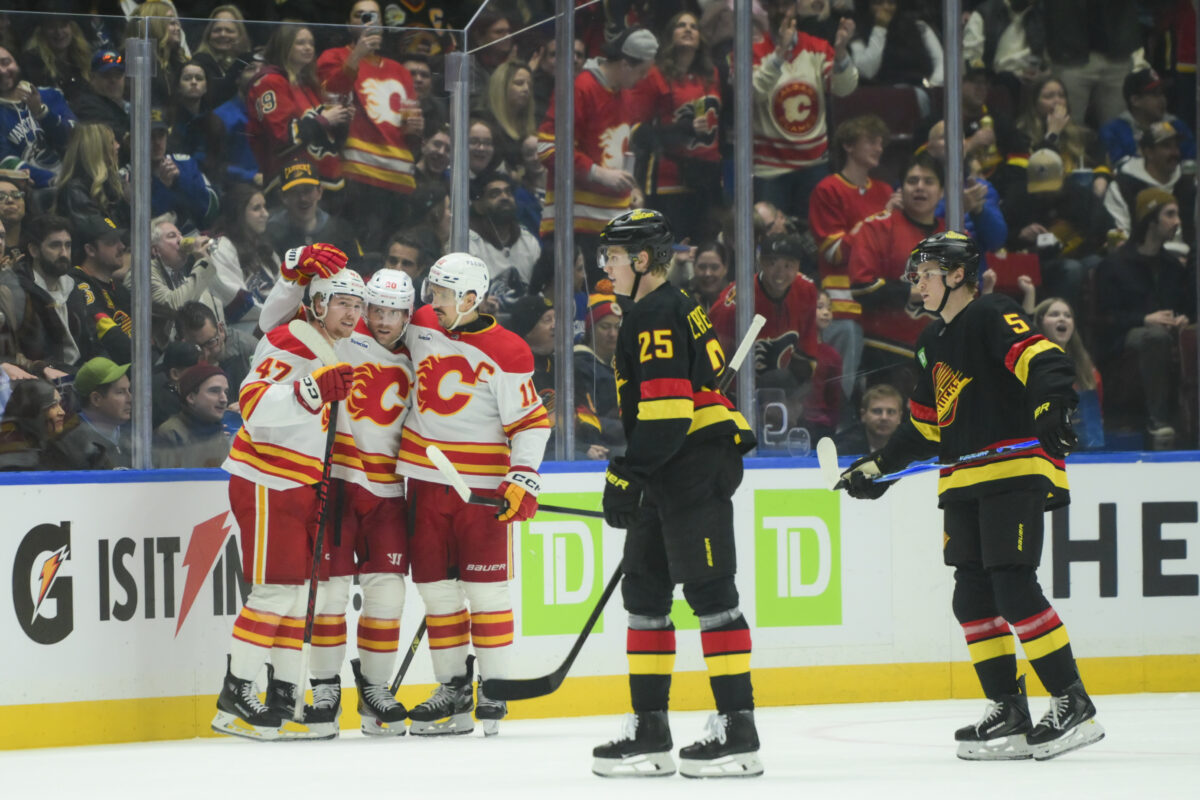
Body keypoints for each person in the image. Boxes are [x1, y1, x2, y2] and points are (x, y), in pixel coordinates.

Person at [838, 231, 1104, 761]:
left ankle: (1073, 701)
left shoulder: (991, 314)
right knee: (972, 597)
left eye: (925, 272)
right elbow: (925, 428)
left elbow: (1044, 360)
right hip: (962, 480)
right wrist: (879, 467)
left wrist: (1053, 407)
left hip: (1012, 471)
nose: (916, 282)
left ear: (957, 275)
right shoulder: (931, 343)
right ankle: (1008, 708)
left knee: (1013, 588)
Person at [591, 208, 760, 777]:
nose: (605, 268)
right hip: (670, 467)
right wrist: (639, 474)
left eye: (612, 257)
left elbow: (666, 414)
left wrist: (625, 473)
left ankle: (738, 731)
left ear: (641, 261)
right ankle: (650, 730)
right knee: (644, 594)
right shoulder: (669, 304)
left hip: (689, 464)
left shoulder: (657, 312)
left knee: (712, 595)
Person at [255, 262, 420, 736]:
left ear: (411, 314)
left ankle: (376, 688)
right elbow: (274, 326)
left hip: (389, 488)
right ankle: (324, 687)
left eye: (396, 312)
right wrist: (292, 278)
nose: (384, 320)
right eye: (376, 309)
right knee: (327, 592)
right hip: (340, 478)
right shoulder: (342, 337)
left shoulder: (420, 352)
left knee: (387, 591)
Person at [395, 252, 551, 737]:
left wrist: (522, 478)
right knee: (438, 594)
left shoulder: (509, 351)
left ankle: (495, 691)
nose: (431, 303)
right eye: (432, 293)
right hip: (424, 482)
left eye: (442, 295)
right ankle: (453, 690)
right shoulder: (420, 324)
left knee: (486, 593)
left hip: (480, 491)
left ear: (469, 298)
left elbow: (530, 423)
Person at [212, 242, 357, 741]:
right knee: (275, 592)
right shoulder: (292, 340)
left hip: (301, 482)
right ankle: (234, 696)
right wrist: (310, 390)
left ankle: (283, 696)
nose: (354, 314)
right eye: (343, 302)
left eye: (358, 306)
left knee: (297, 597)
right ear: (317, 303)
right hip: (268, 478)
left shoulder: (328, 343)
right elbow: (250, 402)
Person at [537, 27, 660, 283]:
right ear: (625, 64)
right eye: (641, 71)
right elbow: (548, 148)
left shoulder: (624, 95)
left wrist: (630, 191)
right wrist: (598, 174)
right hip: (574, 224)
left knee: (605, 310)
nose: (644, 78)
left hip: (610, 226)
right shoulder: (579, 89)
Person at [317, 0, 423, 253]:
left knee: (391, 251)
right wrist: (357, 54)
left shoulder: (400, 71)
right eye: (360, 16)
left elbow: (410, 124)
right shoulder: (333, 56)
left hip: (399, 177)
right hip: (357, 173)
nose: (368, 21)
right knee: (356, 249)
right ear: (348, 23)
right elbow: (331, 93)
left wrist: (416, 128)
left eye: (373, 16)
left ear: (383, 25)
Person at [1094, 189, 1194, 448]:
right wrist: (1144, 319)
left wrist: (1184, 319)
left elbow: (1186, 307)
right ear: (1150, 219)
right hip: (1125, 338)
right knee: (1154, 335)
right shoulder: (1114, 265)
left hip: (1167, 334)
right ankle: (1158, 419)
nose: (1177, 222)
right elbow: (1105, 319)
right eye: (1170, 215)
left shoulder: (1173, 266)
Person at [809, 114, 894, 401]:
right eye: (871, 141)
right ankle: (837, 419)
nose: (878, 148)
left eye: (881, 143)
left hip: (879, 302)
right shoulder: (828, 190)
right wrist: (876, 224)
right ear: (848, 145)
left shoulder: (884, 191)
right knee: (847, 335)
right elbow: (833, 253)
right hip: (843, 304)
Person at [750, 4, 857, 222]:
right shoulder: (749, 51)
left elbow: (843, 88)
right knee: (768, 238)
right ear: (766, 9)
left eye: (788, 3)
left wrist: (842, 52)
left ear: (796, 9)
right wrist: (779, 54)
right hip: (769, 170)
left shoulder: (818, 47)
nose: (782, 9)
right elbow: (750, 94)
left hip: (813, 166)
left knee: (813, 240)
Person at [630, 11, 723, 245]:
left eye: (693, 26)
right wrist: (684, 129)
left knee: (705, 245)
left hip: (706, 177)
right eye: (681, 25)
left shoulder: (711, 75)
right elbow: (638, 130)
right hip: (667, 178)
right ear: (670, 35)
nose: (688, 29)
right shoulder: (655, 74)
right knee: (671, 246)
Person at [709, 232, 819, 406]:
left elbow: (807, 349)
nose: (780, 273)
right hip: (734, 394)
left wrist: (793, 401)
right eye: (772, 263)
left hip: (779, 392)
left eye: (788, 265)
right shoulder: (738, 300)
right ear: (761, 262)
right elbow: (712, 356)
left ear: (798, 265)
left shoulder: (807, 290)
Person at [247, 24, 347, 195]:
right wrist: (324, 120)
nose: (308, 47)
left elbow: (325, 136)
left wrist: (342, 120)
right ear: (284, 45)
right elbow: (282, 137)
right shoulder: (270, 82)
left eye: (311, 43)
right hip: (292, 183)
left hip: (325, 181)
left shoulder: (308, 85)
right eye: (300, 42)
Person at [1017, 76, 1111, 197]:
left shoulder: (1083, 135)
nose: (1057, 101)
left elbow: (1100, 162)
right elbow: (1037, 170)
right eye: (1048, 96)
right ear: (1035, 104)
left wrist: (1101, 178)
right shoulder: (1021, 135)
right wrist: (1053, 134)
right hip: (1039, 197)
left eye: (1061, 96)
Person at [1103, 122, 1195, 244]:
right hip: (1140, 259)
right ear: (1148, 152)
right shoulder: (1122, 187)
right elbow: (1119, 238)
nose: (1175, 153)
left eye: (1176, 146)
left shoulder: (1189, 184)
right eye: (1166, 146)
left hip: (1187, 258)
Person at [0, 45, 76, 189]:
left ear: (17, 63)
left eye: (5, 63)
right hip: (37, 194)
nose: (2, 71)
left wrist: (42, 113)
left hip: (76, 181)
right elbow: (7, 161)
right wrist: (55, 181)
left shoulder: (50, 96)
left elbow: (75, 138)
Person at [468, 171, 540, 320]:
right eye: (495, 194)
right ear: (478, 205)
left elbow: (539, 291)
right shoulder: (469, 240)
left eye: (508, 192)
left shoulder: (528, 240)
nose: (505, 197)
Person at [1033, 298, 1103, 450]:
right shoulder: (1029, 362)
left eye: (1067, 315)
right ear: (1040, 322)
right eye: (1054, 314)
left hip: (1085, 449)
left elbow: (1096, 410)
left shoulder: (1087, 367)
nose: (1062, 318)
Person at [209, 184, 280, 336]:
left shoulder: (263, 246)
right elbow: (235, 303)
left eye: (265, 207)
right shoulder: (221, 248)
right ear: (238, 213)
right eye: (257, 208)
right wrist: (279, 315)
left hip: (272, 322)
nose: (265, 214)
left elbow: (283, 283)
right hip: (241, 330)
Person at [12, 213, 78, 367]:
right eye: (55, 245)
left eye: (67, 245)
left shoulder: (73, 286)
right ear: (34, 250)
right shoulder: (19, 292)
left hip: (80, 374)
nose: (64, 253)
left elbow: (91, 341)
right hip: (46, 378)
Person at [44, 356, 132, 470]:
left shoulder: (133, 436)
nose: (130, 398)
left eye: (129, 390)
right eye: (120, 392)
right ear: (96, 399)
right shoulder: (68, 445)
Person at [1098, 68, 1197, 168]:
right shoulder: (1114, 131)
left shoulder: (1176, 126)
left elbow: (1193, 161)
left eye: (1162, 93)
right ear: (1135, 100)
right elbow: (1118, 167)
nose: (1162, 99)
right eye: (1155, 94)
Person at [66, 215, 131, 364]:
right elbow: (109, 337)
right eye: (111, 242)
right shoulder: (78, 284)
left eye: (120, 240)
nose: (121, 247)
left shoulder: (120, 289)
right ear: (90, 250)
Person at [266, 161, 360, 260]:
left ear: (320, 191)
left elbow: (358, 269)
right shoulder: (270, 235)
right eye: (294, 192)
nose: (303, 199)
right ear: (283, 196)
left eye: (308, 190)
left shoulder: (341, 230)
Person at [573, 291, 624, 460]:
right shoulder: (580, 365)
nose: (613, 334)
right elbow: (586, 419)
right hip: (602, 444)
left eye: (617, 327)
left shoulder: (621, 365)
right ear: (590, 330)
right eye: (605, 327)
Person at [849, 0, 944, 89]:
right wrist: (880, 27)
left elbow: (942, 63)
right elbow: (867, 71)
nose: (886, 7)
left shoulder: (919, 28)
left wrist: (931, 86)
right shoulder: (857, 33)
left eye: (891, 2)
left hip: (919, 90)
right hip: (880, 94)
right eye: (878, 3)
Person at [154, 363, 232, 468]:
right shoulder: (171, 433)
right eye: (214, 391)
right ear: (191, 397)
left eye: (225, 392)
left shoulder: (220, 434)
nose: (224, 399)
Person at [177, 300, 256, 403]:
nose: (206, 354)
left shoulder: (247, 349)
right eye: (196, 347)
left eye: (210, 343)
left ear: (221, 329)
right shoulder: (177, 360)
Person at [190, 5, 253, 109]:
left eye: (229, 30)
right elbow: (217, 96)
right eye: (217, 30)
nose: (223, 34)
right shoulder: (200, 61)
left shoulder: (249, 62)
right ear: (209, 34)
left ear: (240, 35)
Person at [70, 50, 131, 149]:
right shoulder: (86, 106)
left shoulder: (126, 105)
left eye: (118, 75)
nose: (113, 80)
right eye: (107, 75)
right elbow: (111, 134)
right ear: (92, 78)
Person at [0, 377, 64, 470]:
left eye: (60, 404)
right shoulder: (18, 458)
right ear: (33, 411)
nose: (62, 412)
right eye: (53, 405)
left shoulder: (43, 444)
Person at [834, 382, 903, 456]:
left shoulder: (909, 447)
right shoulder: (842, 449)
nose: (884, 417)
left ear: (899, 417)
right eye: (877, 411)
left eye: (890, 412)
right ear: (863, 415)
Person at [688, 241, 730, 313]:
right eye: (702, 267)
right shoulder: (685, 301)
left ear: (725, 268)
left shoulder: (735, 300)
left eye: (714, 267)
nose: (708, 273)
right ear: (693, 267)